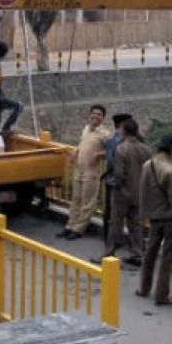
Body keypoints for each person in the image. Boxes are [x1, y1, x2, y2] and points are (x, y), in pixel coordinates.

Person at [136, 135, 172, 306]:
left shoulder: (147, 165)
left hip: (153, 216)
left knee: (150, 254)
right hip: (170, 218)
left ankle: (144, 287)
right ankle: (162, 294)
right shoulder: (170, 171)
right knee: (167, 258)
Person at [57, 104, 110, 240]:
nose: (95, 116)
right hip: (79, 168)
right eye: (94, 113)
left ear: (103, 118)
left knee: (87, 201)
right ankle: (70, 226)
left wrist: (99, 155)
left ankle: (79, 229)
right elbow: (82, 144)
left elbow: (110, 151)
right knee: (76, 200)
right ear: (89, 115)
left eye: (99, 114)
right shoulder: (86, 129)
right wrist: (75, 153)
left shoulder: (105, 134)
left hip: (91, 171)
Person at [104, 117, 151, 266]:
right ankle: (138, 254)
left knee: (115, 224)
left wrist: (116, 186)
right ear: (137, 131)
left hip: (122, 193)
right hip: (140, 193)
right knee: (136, 225)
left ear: (124, 131)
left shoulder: (121, 148)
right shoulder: (146, 149)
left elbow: (118, 173)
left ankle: (109, 253)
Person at [100, 113, 132, 231]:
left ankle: (107, 235)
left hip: (110, 179)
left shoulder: (111, 139)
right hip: (119, 181)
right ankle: (113, 238)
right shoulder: (122, 141)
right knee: (118, 211)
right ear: (123, 125)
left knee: (109, 209)